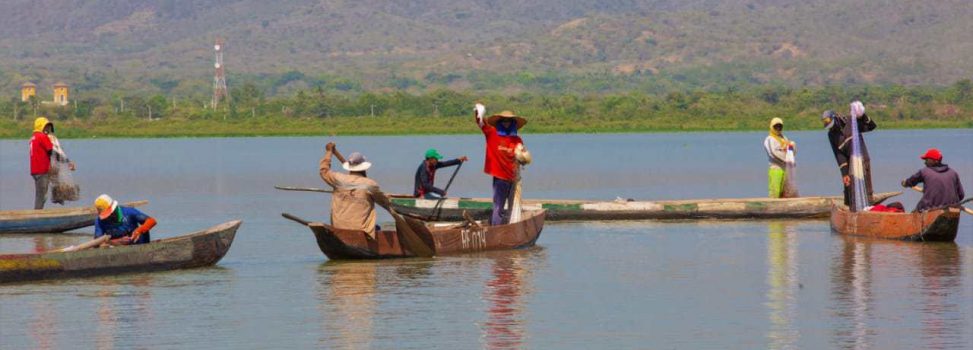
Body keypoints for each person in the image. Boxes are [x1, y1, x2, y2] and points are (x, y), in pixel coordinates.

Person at [475, 105, 530, 225]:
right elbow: (481, 123)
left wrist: (524, 158)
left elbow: (522, 158)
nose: (506, 123)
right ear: (499, 122)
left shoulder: (517, 140)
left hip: (513, 178)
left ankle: (511, 228)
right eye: (504, 120)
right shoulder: (492, 133)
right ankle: (495, 231)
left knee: (512, 207)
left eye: (509, 121)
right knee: (498, 207)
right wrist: (478, 111)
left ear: (513, 123)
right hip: (500, 178)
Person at [320, 142, 381, 238]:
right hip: (361, 230)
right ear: (364, 167)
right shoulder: (370, 185)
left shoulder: (338, 179)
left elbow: (324, 170)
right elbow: (384, 201)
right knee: (378, 228)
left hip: (338, 227)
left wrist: (329, 152)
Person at [822, 103, 876, 206]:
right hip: (849, 164)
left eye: (832, 125)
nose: (831, 128)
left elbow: (872, 126)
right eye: (829, 127)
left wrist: (862, 115)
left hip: (862, 159)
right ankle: (851, 212)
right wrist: (844, 174)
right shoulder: (831, 135)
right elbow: (838, 154)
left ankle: (868, 207)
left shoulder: (851, 121)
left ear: (836, 118)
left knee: (866, 188)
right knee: (849, 190)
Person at [29, 117, 75, 209]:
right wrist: (67, 162)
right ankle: (37, 215)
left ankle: (38, 213)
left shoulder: (33, 137)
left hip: (35, 170)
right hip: (42, 170)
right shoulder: (42, 137)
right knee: (42, 196)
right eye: (46, 127)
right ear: (41, 127)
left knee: (40, 194)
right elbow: (53, 152)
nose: (47, 130)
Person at [901, 148, 965, 212]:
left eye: (927, 160)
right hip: (952, 209)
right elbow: (961, 195)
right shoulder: (953, 173)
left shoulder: (924, 171)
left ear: (935, 161)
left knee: (914, 212)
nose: (925, 162)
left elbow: (911, 181)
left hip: (929, 208)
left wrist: (905, 183)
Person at [763, 118, 795, 198]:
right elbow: (773, 153)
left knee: (786, 193)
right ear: (771, 127)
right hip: (776, 169)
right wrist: (786, 159)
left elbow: (791, 152)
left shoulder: (784, 138)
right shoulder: (769, 139)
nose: (778, 128)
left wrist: (793, 147)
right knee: (775, 192)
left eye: (780, 126)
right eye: (776, 126)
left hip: (786, 169)